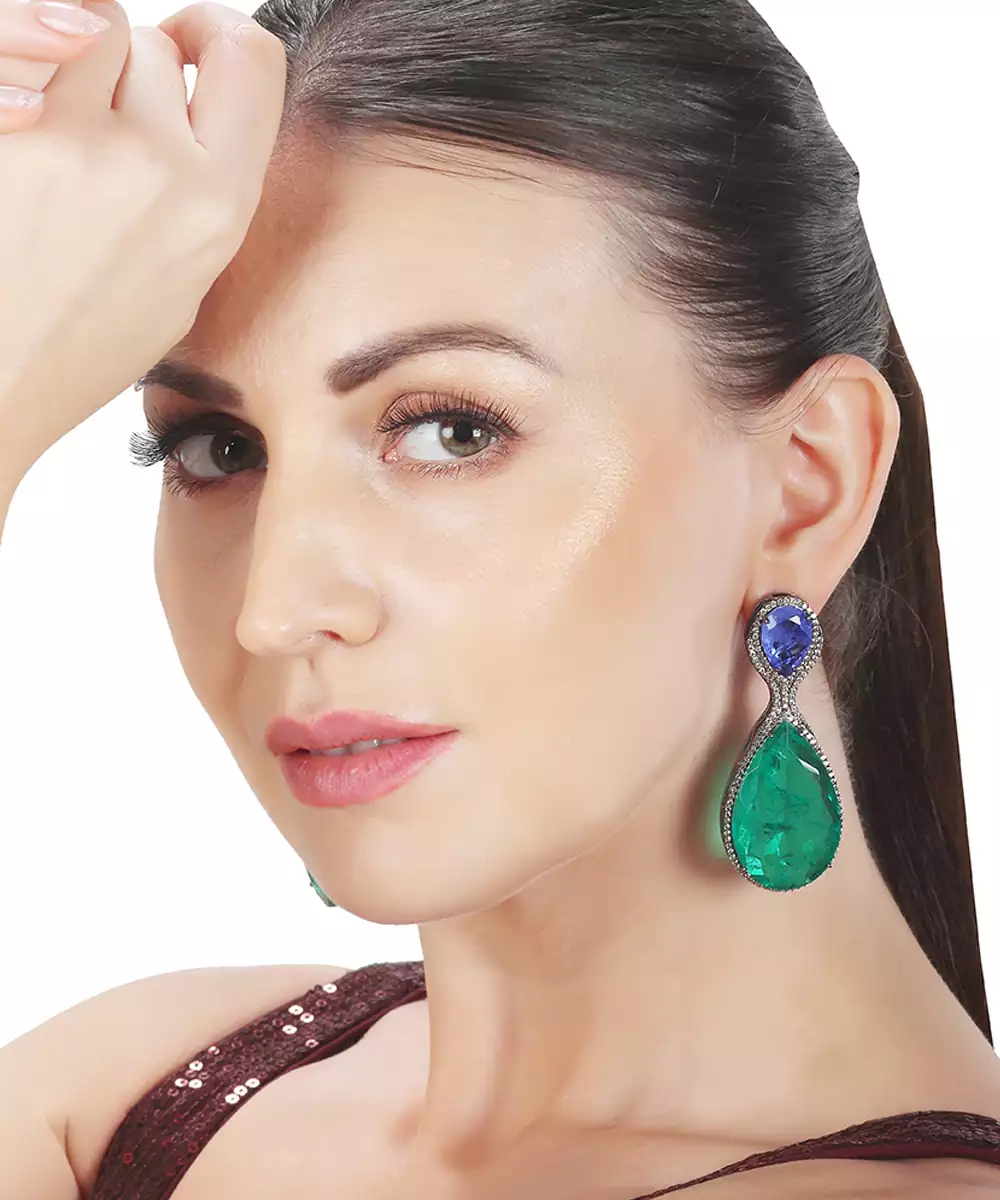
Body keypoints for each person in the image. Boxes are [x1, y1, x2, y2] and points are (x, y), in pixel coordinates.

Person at [0, 0, 998, 1196]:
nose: (276, 608)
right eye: (218, 449)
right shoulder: (124, 1093)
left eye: (451, 430)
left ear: (805, 485)